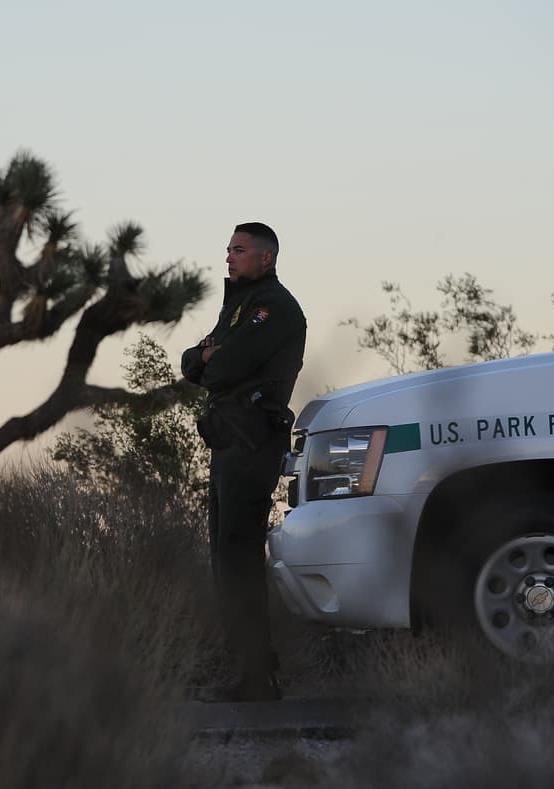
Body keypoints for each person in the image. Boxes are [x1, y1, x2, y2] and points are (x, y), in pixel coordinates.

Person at [181, 222, 307, 702]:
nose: (229, 258)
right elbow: (194, 362)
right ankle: (246, 670)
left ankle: (255, 676)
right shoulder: (238, 306)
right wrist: (206, 355)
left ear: (266, 258)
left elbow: (221, 369)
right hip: (228, 443)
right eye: (228, 250)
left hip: (251, 443)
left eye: (239, 250)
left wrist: (209, 357)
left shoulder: (272, 307)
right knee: (224, 557)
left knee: (238, 558)